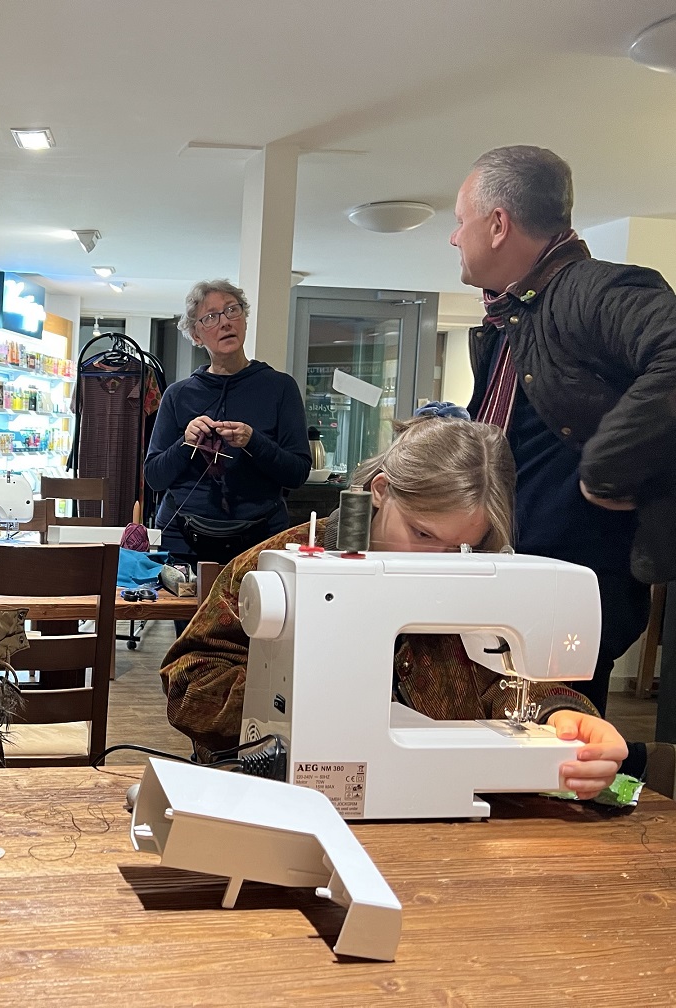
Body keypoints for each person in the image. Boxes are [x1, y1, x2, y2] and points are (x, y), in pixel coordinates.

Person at [162, 417, 629, 801]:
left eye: (459, 548)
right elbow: (188, 684)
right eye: (422, 534)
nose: (438, 562)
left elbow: (502, 677)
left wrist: (559, 714)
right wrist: (308, 704)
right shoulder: (277, 563)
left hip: (440, 797)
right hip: (286, 800)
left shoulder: (473, 573)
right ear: (382, 491)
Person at [451, 145, 676, 715]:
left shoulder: (592, 289)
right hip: (525, 571)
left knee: (560, 742)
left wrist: (606, 469)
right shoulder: (514, 314)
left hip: (570, 582)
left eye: (460, 221)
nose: (454, 238)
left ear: (498, 224)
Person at [144, 279, 310, 593]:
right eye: (211, 317)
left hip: (260, 540)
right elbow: (154, 476)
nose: (224, 322)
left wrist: (254, 441)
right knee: (188, 624)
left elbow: (297, 472)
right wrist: (185, 443)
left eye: (232, 311)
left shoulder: (280, 388)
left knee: (255, 623)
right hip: (183, 541)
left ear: (245, 319)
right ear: (196, 335)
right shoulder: (177, 395)